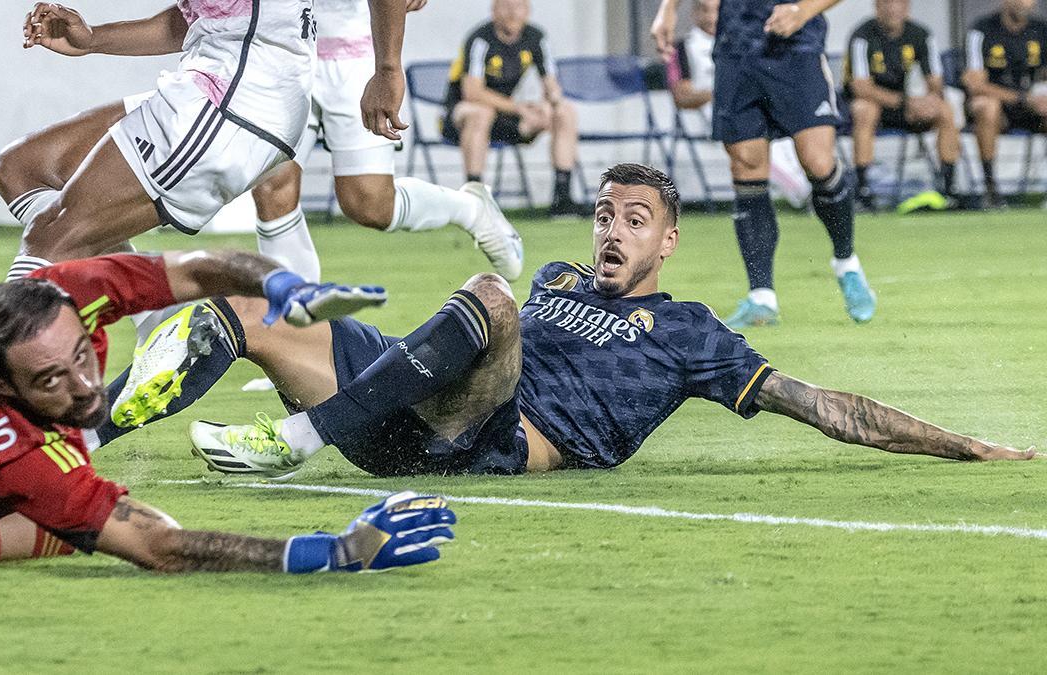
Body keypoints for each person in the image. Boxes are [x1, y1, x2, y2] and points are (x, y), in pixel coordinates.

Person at [95, 164, 1032, 478]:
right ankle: (88, 431)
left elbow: (824, 404)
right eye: (604, 215)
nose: (611, 232)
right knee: (241, 306)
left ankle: (297, 439)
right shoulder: (556, 276)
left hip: (488, 438)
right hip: (407, 403)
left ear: (667, 241)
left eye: (633, 221)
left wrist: (964, 446)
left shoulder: (692, 330)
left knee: (489, 297)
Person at [0, 248, 456, 571]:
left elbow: (194, 270)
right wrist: (333, 552)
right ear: (4, 389)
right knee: (55, 536)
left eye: (83, 356)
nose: (86, 387)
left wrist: (279, 283)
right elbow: (161, 546)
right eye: (50, 380)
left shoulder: (74, 290)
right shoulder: (17, 459)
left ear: (79, 312)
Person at [0, 1, 522, 287]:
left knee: (368, 203)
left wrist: (387, 68)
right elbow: (198, 15)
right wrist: (93, 41)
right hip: (223, 78)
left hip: (251, 91)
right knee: (20, 169)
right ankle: (158, 312)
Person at [248, 0, 523, 285]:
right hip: (283, 50)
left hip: (354, 54)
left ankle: (470, 209)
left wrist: (389, 70)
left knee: (369, 205)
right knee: (270, 185)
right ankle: (296, 313)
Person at [652, 0, 877, 329]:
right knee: (746, 166)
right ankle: (761, 297)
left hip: (795, 46)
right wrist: (668, 9)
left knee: (818, 161)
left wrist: (803, 12)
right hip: (736, 48)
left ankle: (847, 263)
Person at [442, 0, 587, 217]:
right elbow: (472, 92)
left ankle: (562, 199)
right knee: (481, 113)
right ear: (494, 10)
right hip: (461, 116)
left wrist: (549, 105)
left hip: (507, 118)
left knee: (564, 111)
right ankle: (473, 199)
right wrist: (519, 109)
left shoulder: (536, 37)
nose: (512, 12)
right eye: (506, 6)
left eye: (518, 6)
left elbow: (550, 83)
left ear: (527, 11)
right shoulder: (481, 39)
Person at [665, 0, 811, 209]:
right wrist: (720, 93)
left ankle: (809, 187)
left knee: (783, 139)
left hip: (749, 102)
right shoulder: (683, 47)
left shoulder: (743, 41)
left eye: (715, 11)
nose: (710, 18)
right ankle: (801, 192)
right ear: (694, 14)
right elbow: (681, 95)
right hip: (709, 110)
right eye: (704, 11)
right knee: (759, 146)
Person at [844, 0, 960, 209]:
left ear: (907, 8)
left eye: (899, 3)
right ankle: (863, 191)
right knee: (865, 110)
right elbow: (861, 88)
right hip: (874, 104)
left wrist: (930, 100)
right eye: (887, 3)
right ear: (877, 7)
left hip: (905, 106)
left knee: (944, 109)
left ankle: (949, 188)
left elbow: (935, 80)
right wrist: (907, 102)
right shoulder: (862, 36)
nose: (893, 8)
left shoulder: (921, 34)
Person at [963, 0, 1047, 209]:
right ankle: (990, 188)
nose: (1023, 3)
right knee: (987, 106)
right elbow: (975, 84)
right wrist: (1020, 98)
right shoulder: (981, 29)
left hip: (1030, 106)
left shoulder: (1041, 30)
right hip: (997, 106)